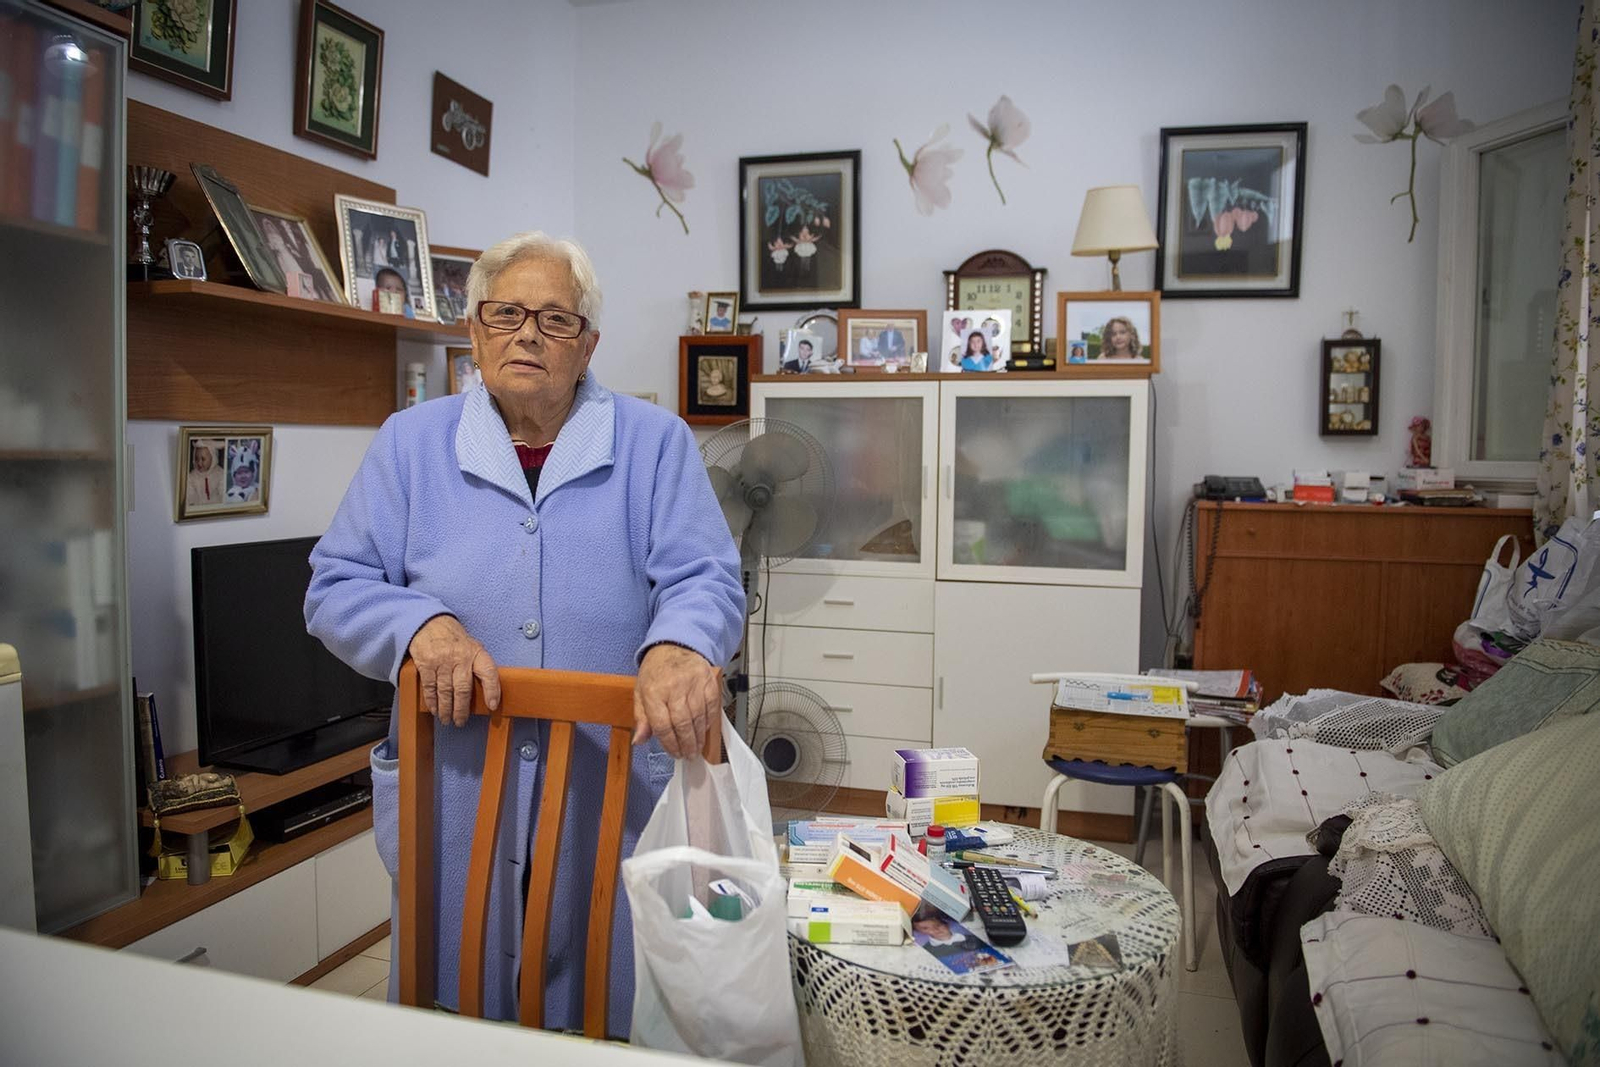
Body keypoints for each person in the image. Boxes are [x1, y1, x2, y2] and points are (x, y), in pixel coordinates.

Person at [304, 230, 743, 1033]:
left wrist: (681, 642)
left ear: (589, 345)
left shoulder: (654, 444)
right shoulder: (410, 444)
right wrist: (420, 625)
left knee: (609, 1006)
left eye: (554, 319)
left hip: (606, 788)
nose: (528, 334)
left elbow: (707, 577)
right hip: (458, 790)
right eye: (505, 314)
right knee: (455, 1004)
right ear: (474, 331)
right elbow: (335, 585)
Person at [185, 440, 224, 505]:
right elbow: (190, 496)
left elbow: (223, 493)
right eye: (196, 459)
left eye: (203, 459)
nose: (199, 463)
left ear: (213, 458)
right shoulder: (191, 477)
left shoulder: (220, 473)